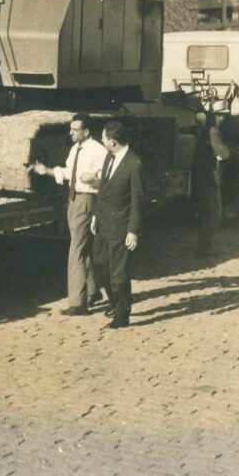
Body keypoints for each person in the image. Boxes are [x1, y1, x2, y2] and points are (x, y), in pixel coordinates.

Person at [31, 115, 108, 316]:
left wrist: (95, 178)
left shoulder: (98, 150)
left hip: (87, 199)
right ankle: (92, 291)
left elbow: (109, 175)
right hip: (73, 198)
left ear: (86, 132)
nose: (70, 133)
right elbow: (68, 173)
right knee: (82, 246)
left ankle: (78, 303)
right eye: (71, 129)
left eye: (75, 129)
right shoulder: (75, 149)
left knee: (76, 250)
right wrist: (46, 171)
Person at [92, 121, 144, 330]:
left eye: (103, 138)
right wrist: (96, 216)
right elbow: (102, 191)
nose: (101, 141)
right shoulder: (109, 156)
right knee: (99, 265)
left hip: (121, 226)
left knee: (118, 273)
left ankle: (122, 314)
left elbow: (138, 201)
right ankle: (115, 302)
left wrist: (133, 230)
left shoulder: (134, 164)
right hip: (103, 222)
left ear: (113, 141)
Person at [192, 111, 229, 257]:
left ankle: (203, 247)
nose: (222, 118)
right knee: (214, 213)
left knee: (206, 212)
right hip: (210, 178)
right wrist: (227, 152)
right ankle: (204, 248)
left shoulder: (202, 132)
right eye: (221, 115)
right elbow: (224, 153)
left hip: (202, 177)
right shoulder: (213, 131)